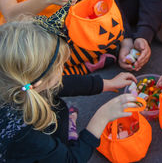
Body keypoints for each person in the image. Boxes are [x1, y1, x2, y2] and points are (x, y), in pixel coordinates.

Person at [0, 17, 138, 163]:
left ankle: (63, 139)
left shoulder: (18, 83)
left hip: (41, 139)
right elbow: (71, 160)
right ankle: (67, 143)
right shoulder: (25, 135)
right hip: (37, 153)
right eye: (60, 66)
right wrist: (101, 117)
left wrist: (107, 84)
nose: (63, 70)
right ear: (39, 81)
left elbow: (63, 84)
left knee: (59, 110)